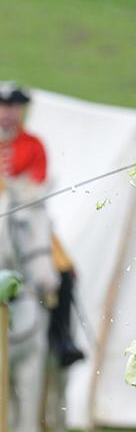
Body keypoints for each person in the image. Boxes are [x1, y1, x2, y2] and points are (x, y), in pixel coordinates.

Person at [0, 82, 85, 367]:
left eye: (13, 107)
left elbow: (36, 186)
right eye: (3, 106)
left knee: (63, 271)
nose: (7, 113)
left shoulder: (33, 145)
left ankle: (61, 340)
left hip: (25, 222)